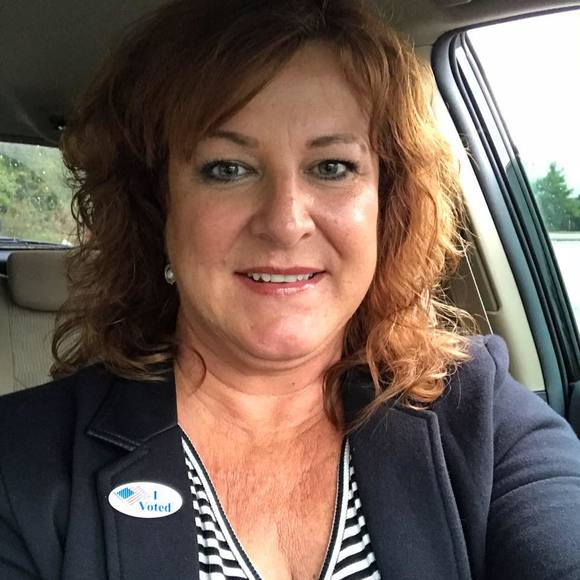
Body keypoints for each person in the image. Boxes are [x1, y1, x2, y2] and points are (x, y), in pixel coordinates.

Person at [1, 0, 580, 578]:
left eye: (332, 167)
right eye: (228, 168)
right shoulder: (20, 461)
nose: (284, 222)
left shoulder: (479, 411)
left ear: (387, 204)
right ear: (157, 209)